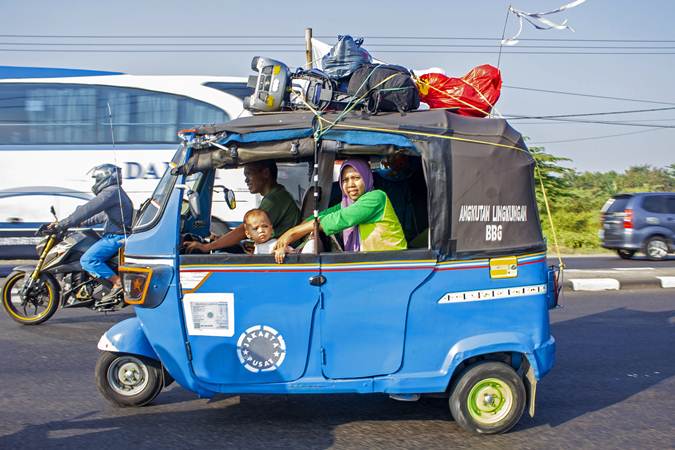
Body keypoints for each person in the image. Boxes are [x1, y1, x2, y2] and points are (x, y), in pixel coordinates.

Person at [273, 159, 407, 263]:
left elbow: (339, 219)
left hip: (392, 264)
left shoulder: (376, 197)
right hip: (370, 266)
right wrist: (300, 231)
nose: (350, 185)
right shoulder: (347, 204)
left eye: (356, 178)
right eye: (345, 180)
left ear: (367, 178)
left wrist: (292, 233)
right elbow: (323, 215)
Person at [48, 164, 133, 301]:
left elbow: (88, 209)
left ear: (104, 177)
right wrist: (80, 223)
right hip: (117, 236)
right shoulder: (116, 192)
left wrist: (63, 224)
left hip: (116, 238)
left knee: (88, 260)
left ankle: (118, 282)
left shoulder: (111, 192)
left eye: (97, 178)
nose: (95, 182)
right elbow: (101, 216)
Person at [184, 160, 301, 254]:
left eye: (249, 174)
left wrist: (207, 247)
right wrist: (220, 240)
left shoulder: (275, 199)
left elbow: (243, 231)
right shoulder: (276, 195)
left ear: (265, 173)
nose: (246, 180)